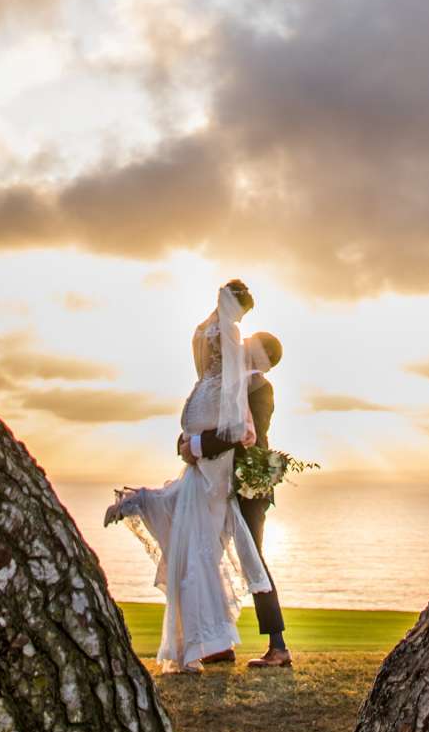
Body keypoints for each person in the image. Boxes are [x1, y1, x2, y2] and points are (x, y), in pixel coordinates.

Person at [104, 279, 274, 671]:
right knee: (201, 543)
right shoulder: (229, 333)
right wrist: (238, 431)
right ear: (241, 310)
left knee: (193, 528)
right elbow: (232, 406)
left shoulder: (200, 331)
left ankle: (141, 500)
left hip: (198, 426)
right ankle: (202, 642)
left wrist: (192, 439)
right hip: (212, 445)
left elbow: (204, 376)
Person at [181, 330, 290, 668]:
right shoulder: (227, 382)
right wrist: (186, 445)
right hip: (218, 483)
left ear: (266, 360)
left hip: (248, 486)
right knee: (209, 556)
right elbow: (207, 419)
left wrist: (196, 447)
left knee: (252, 557)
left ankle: (278, 647)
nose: (243, 349)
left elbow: (240, 435)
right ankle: (219, 642)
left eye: (252, 347)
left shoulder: (260, 389)